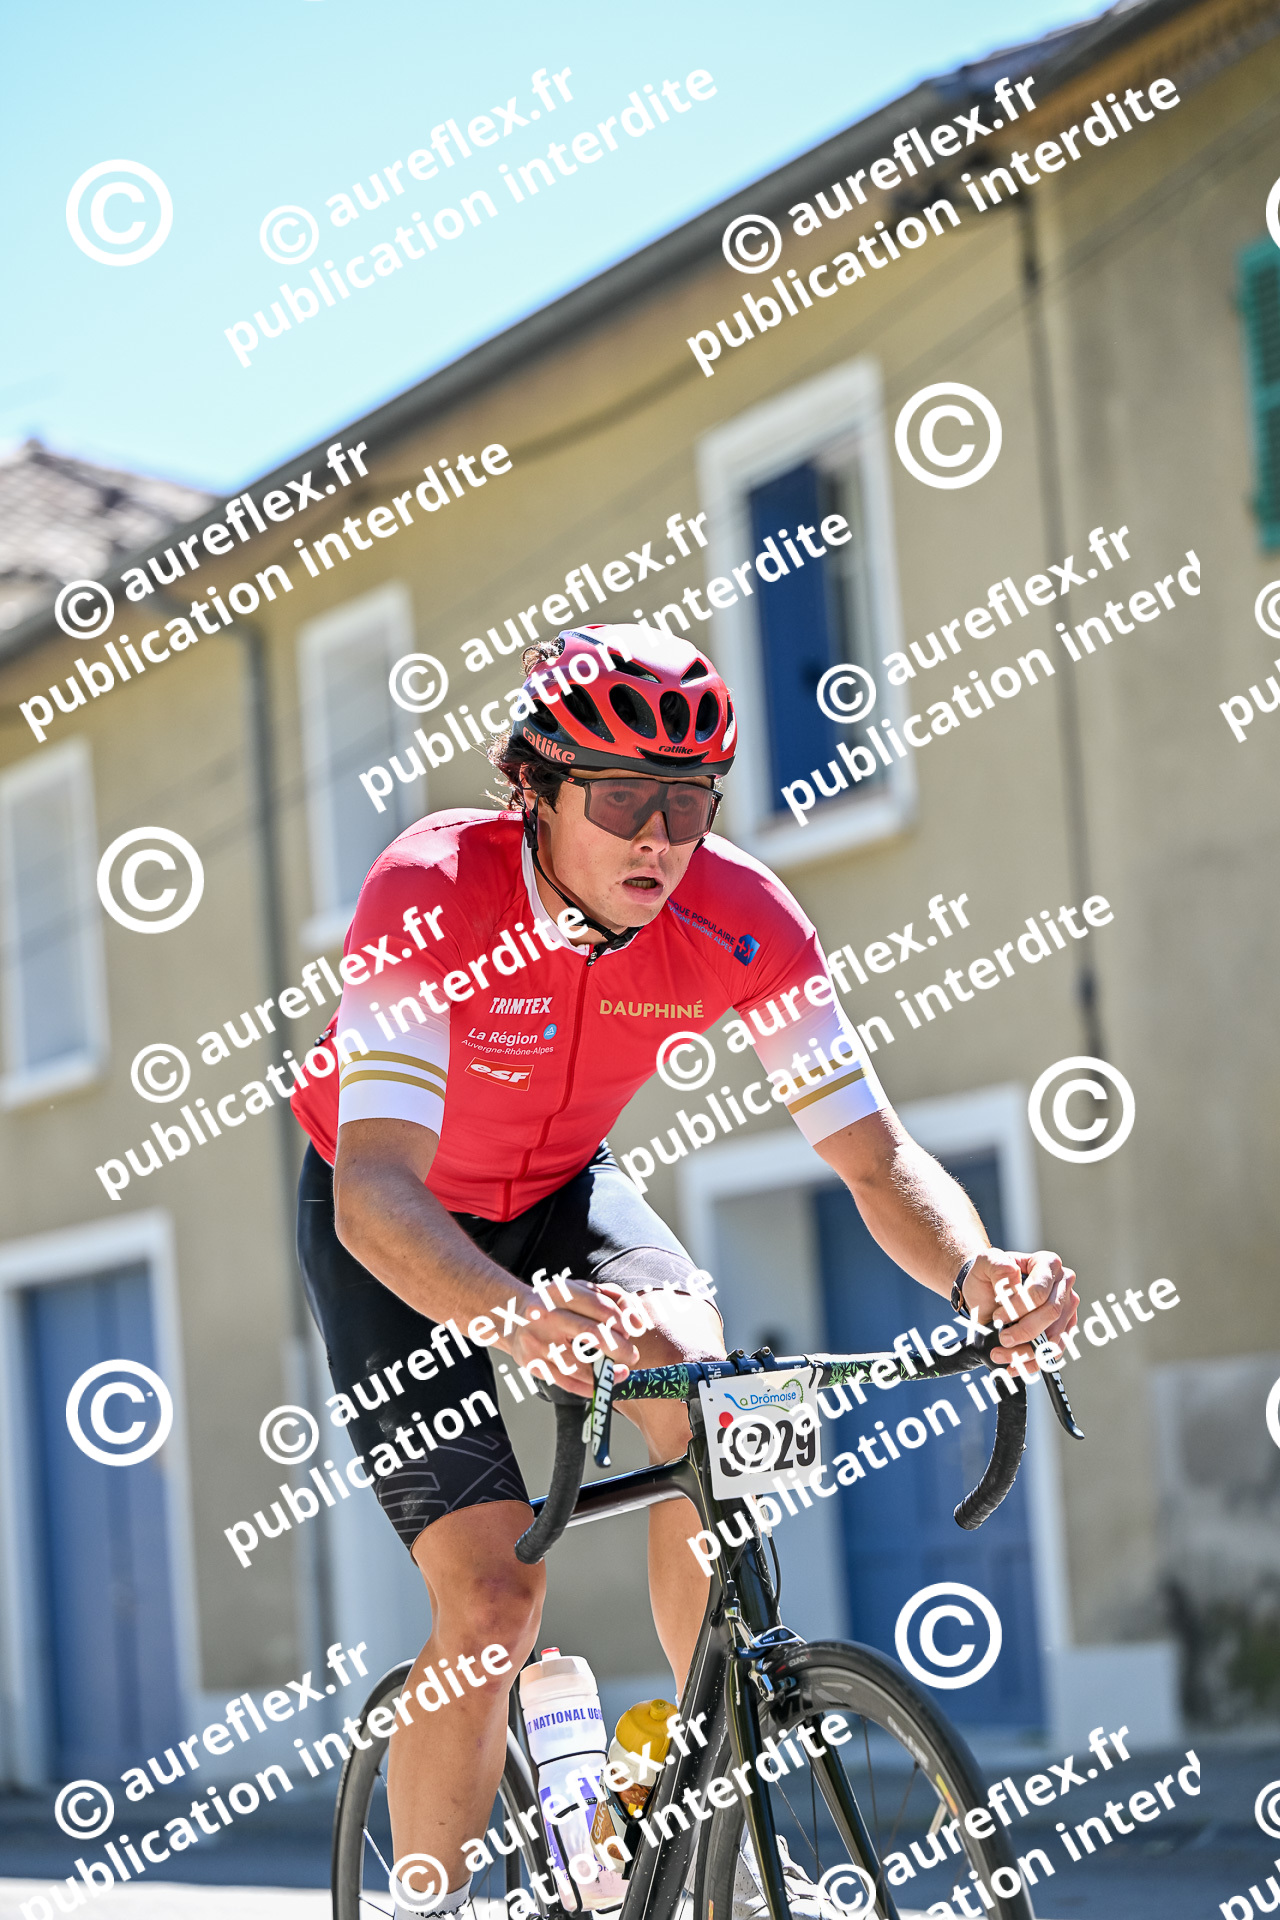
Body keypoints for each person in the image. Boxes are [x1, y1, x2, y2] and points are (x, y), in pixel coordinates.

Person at [290, 623, 1078, 1915]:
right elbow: (373, 1193)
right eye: (622, 799)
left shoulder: (741, 915)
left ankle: (711, 1783)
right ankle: (429, 1900)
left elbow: (877, 1159)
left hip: (562, 1192)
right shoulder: (433, 889)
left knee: (709, 1391)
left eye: (691, 802)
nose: (660, 839)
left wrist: (980, 1271)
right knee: (491, 1603)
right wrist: (513, 1317)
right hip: (398, 1223)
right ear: (535, 789)